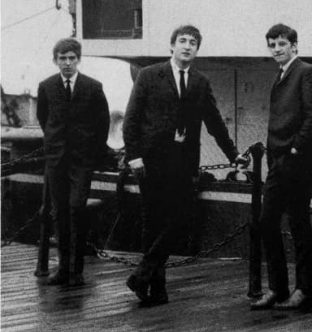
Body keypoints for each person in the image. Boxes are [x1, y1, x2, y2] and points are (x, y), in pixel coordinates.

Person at [123, 25, 248, 305]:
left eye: (193, 42)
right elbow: (132, 119)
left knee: (179, 220)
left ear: (197, 49)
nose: (187, 46)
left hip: (183, 163)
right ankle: (156, 288)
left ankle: (142, 274)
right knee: (153, 223)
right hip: (151, 161)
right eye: (182, 41)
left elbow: (214, 122)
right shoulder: (149, 75)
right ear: (172, 46)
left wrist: (233, 154)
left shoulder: (200, 82)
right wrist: (134, 155)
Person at [250, 24, 312, 313]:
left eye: (282, 44)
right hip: (279, 161)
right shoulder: (281, 75)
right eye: (272, 44)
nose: (277, 49)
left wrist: (296, 148)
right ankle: (278, 288)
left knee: (298, 224)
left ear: (294, 45)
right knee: (268, 222)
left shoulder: (306, 72)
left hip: (296, 161)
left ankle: (305, 291)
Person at [37, 38, 110, 287]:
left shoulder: (93, 87)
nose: (67, 63)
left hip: (82, 161)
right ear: (55, 60)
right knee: (59, 214)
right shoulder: (46, 87)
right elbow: (44, 119)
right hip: (57, 161)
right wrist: (54, 147)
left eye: (71, 58)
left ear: (78, 59)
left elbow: (102, 124)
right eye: (62, 58)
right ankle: (63, 269)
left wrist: (93, 152)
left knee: (76, 208)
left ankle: (77, 270)